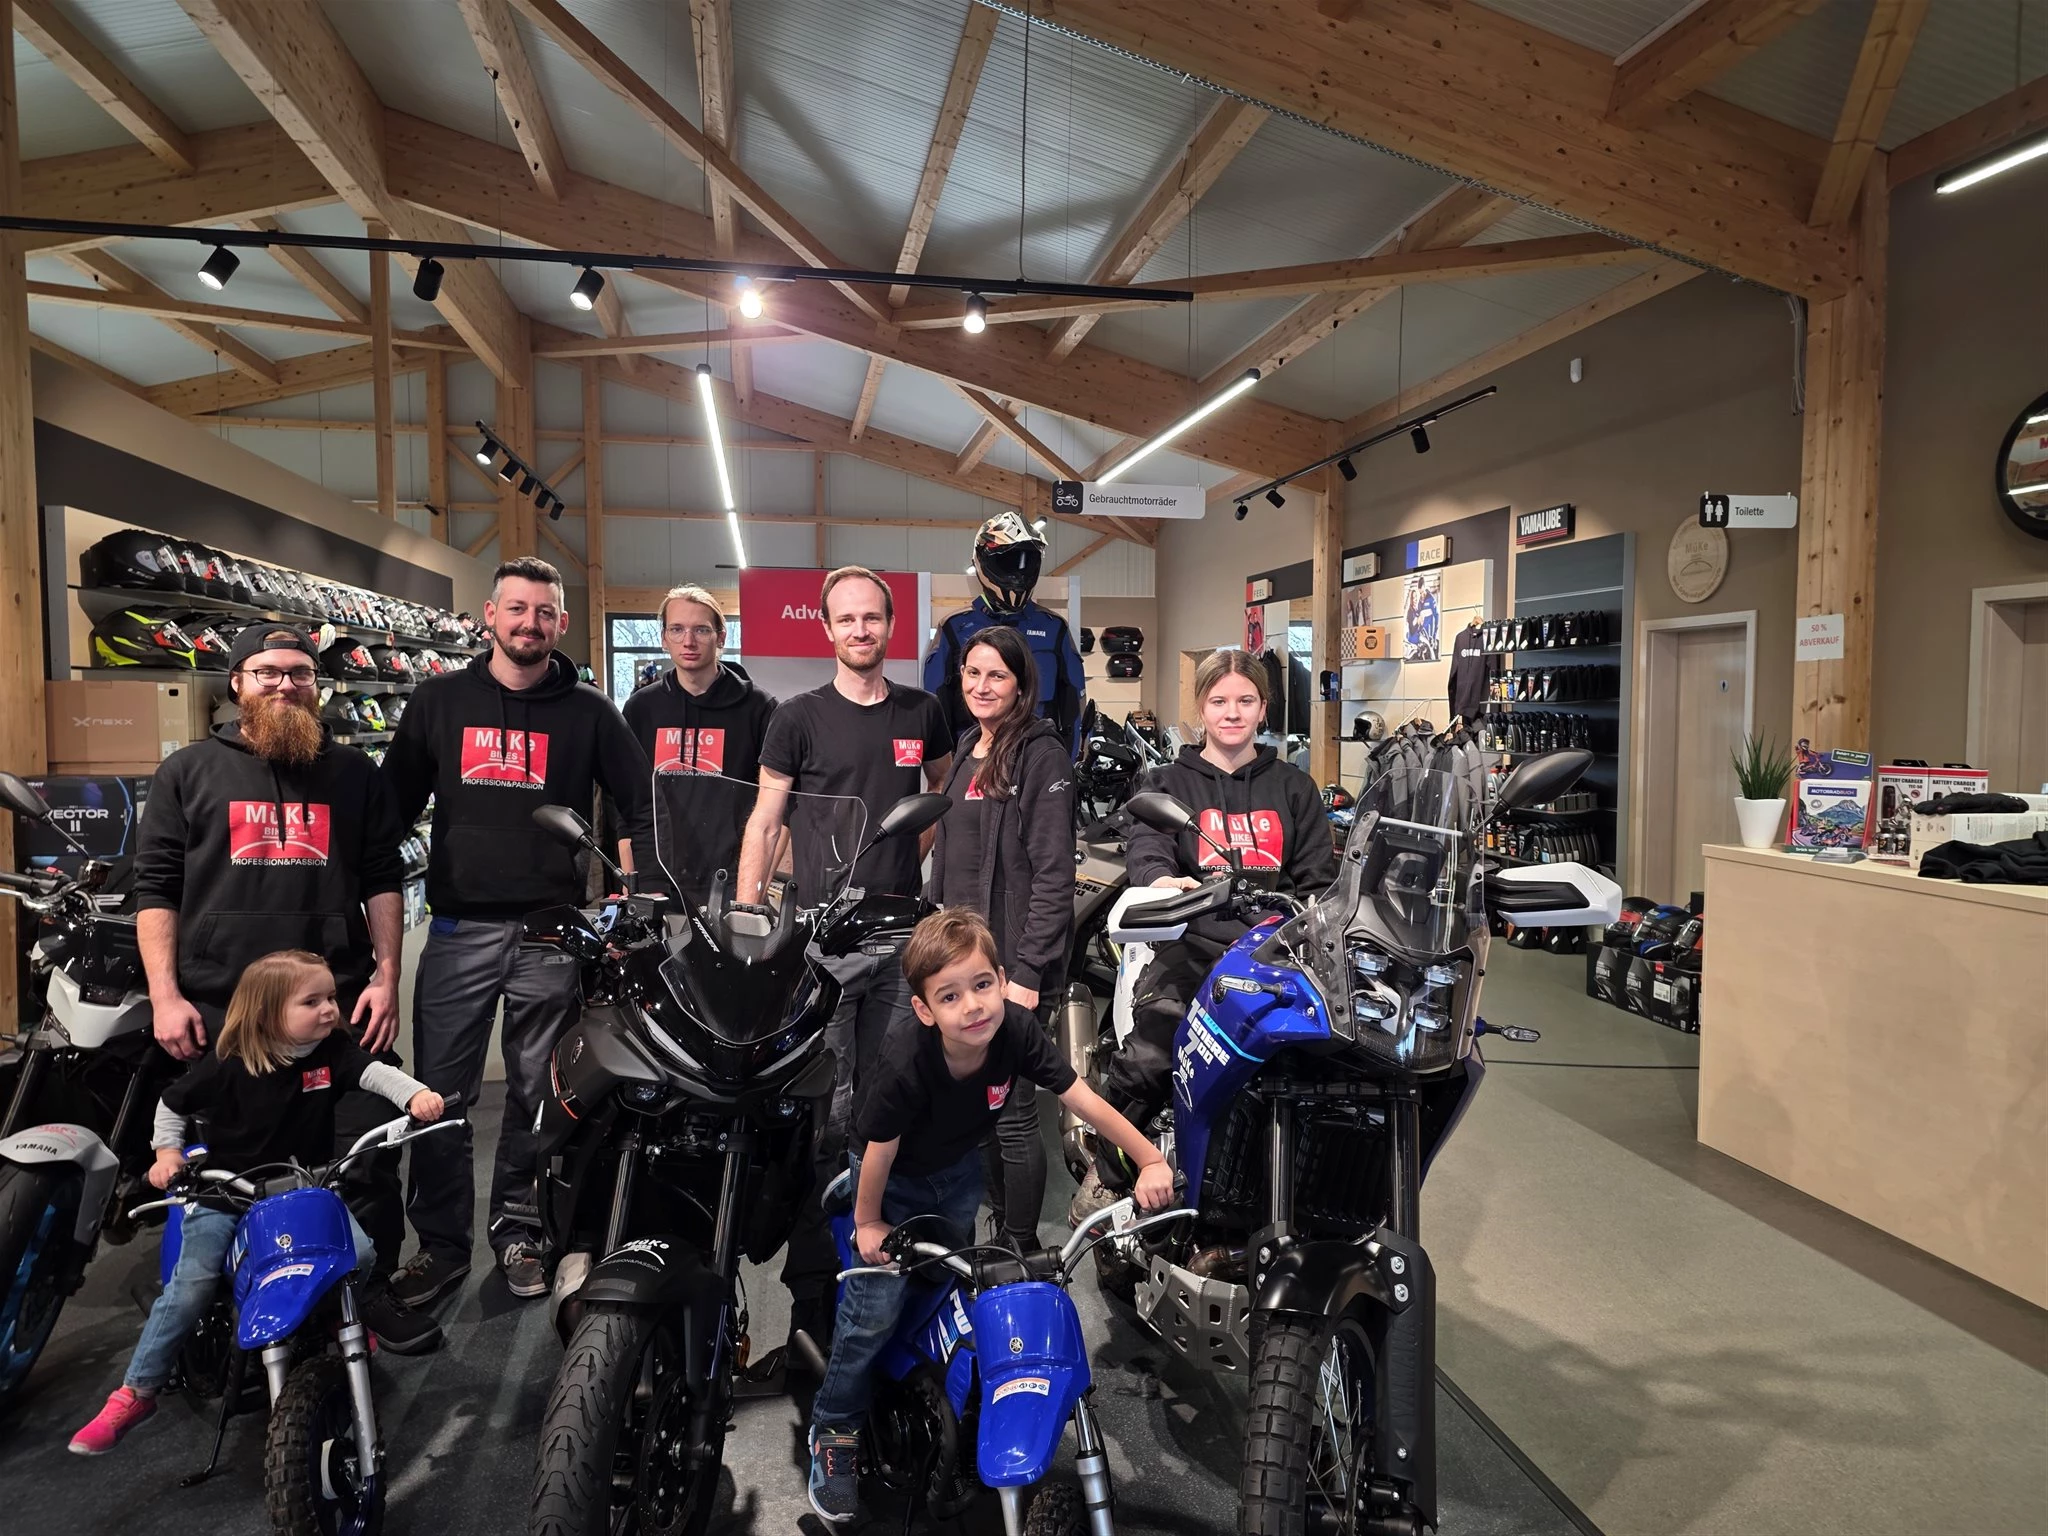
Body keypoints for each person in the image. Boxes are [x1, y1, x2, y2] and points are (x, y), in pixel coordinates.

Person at [806, 907, 1172, 1524]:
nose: (973, 1006)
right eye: (950, 996)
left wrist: (1148, 1160)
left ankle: (936, 1400)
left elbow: (1084, 1099)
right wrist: (869, 1221)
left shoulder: (1017, 1031)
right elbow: (879, 1151)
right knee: (873, 1308)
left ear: (1002, 980)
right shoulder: (906, 1060)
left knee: (949, 1285)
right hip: (889, 1179)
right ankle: (834, 1428)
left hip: (956, 1171)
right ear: (924, 1010)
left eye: (982, 984)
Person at [131, 621, 436, 1352]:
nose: (285, 685)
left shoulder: (353, 774)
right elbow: (156, 888)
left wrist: (387, 975)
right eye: (268, 672)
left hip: (337, 1002)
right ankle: (232, 1306)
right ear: (237, 682)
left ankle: (365, 1292)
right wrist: (165, 995)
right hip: (223, 1007)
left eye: (300, 673)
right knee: (229, 1169)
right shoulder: (188, 772)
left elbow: (382, 878)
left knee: (363, 1156)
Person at [381, 557, 652, 1306]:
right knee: (439, 1095)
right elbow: (389, 811)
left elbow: (638, 805)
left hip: (549, 936)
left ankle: (520, 1231)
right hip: (458, 929)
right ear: (490, 616)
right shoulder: (438, 700)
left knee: (538, 1094)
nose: (530, 623)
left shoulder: (590, 711)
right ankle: (440, 1246)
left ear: (560, 623)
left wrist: (634, 896)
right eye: (517, 609)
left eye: (544, 612)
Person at [67, 951, 444, 1456]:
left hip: (301, 1185)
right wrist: (166, 1152)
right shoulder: (231, 1062)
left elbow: (377, 1074)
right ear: (267, 1012)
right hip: (227, 1191)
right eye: (312, 1001)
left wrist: (415, 1095)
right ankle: (137, 1390)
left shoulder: (331, 1050)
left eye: (331, 997)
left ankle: (336, 1316)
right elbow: (173, 1103)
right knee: (192, 1284)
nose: (329, 1009)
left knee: (360, 1254)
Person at [735, 566, 952, 1345]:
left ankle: (885, 1266)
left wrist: (893, 876)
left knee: (888, 1106)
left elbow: (935, 801)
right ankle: (814, 1293)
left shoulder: (923, 712)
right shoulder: (796, 718)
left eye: (872, 618)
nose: (861, 630)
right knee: (820, 1117)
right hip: (819, 943)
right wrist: (749, 914)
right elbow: (766, 820)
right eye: (847, 619)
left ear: (890, 625)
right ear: (826, 629)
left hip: (898, 939)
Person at [1097, 648, 1338, 1137]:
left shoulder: (1294, 786)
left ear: (1263, 708)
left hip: (1278, 954)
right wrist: (1162, 882)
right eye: (1219, 701)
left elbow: (1318, 878)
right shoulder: (1168, 782)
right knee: (1150, 1055)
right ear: (1201, 708)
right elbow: (1148, 849)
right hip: (1195, 947)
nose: (1232, 713)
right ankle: (1109, 1157)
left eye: (1245, 701)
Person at [927, 626, 1074, 1252]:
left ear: (1020, 684)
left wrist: (1029, 972)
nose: (982, 686)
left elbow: (1054, 876)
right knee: (980, 1112)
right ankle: (996, 1234)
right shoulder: (968, 746)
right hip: (964, 962)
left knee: (1012, 1114)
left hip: (1010, 966)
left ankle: (1021, 1246)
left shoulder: (1041, 756)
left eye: (997, 675)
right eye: (972, 672)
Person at [620, 583, 776, 907]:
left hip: (732, 886)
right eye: (677, 629)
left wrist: (752, 893)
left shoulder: (759, 708)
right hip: (656, 884)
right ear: (664, 638)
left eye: (701, 630)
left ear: (721, 637)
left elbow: (775, 808)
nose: (688, 641)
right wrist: (632, 881)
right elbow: (625, 804)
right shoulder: (641, 709)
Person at [923, 513, 1087, 752]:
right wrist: (951, 767)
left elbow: (1073, 705)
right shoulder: (954, 627)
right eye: (1007, 562)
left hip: (1038, 757)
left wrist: (1067, 762)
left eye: (1026, 562)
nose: (1018, 573)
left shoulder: (1053, 627)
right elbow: (936, 705)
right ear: (982, 561)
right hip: (974, 758)